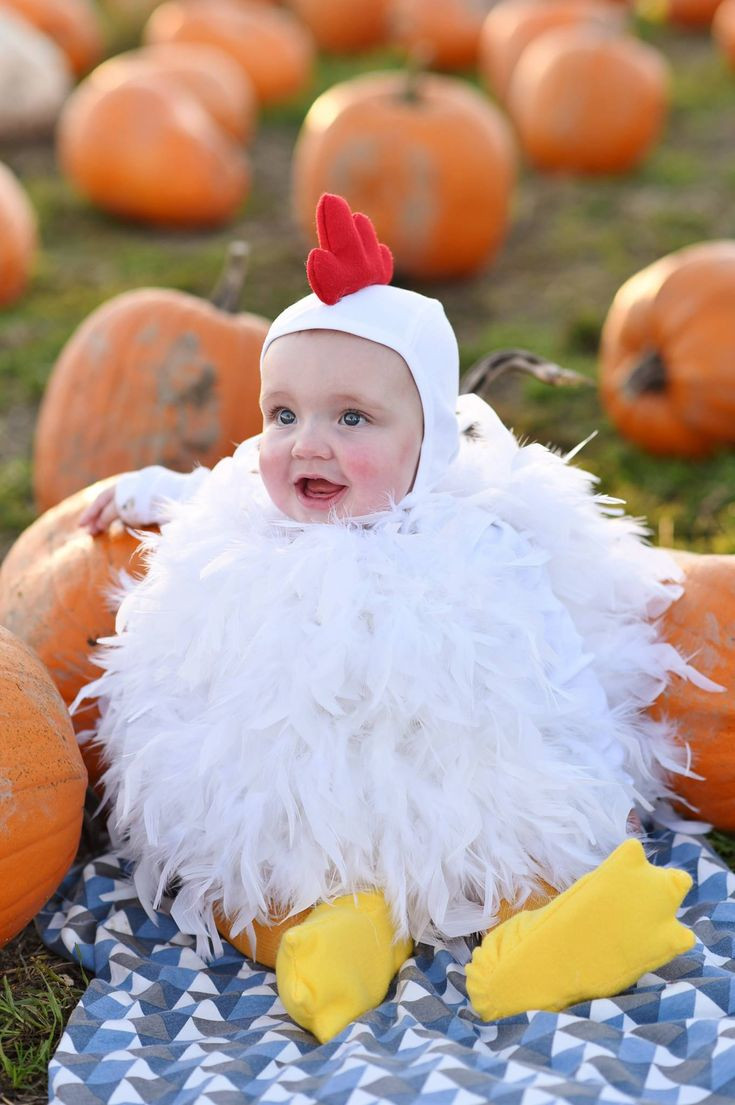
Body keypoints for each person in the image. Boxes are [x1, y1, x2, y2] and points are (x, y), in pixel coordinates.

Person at [77, 193, 704, 1044]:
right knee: (230, 850)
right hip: (293, 778)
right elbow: (213, 487)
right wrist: (147, 489)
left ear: (429, 444)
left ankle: (552, 924)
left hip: (445, 781)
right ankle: (320, 932)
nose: (307, 442)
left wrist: (598, 782)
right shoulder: (252, 521)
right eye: (283, 413)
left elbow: (548, 664)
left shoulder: (471, 544)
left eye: (351, 417)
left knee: (514, 834)